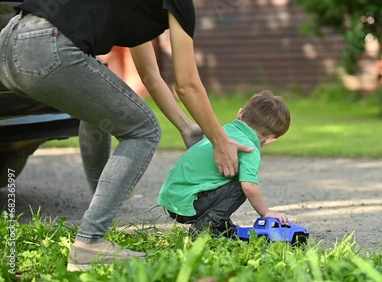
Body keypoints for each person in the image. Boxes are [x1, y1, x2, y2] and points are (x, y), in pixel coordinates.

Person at [0, 0, 252, 272]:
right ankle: (90, 241)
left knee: (98, 106)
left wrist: (187, 128)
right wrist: (220, 141)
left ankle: (100, 212)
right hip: (46, 45)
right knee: (144, 131)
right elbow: (188, 85)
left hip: (9, 40)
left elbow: (150, 76)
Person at [158, 90, 291, 237]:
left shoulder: (220, 133)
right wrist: (265, 212)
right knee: (240, 187)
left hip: (172, 199)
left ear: (240, 114)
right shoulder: (249, 148)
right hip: (187, 206)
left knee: (227, 180)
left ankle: (223, 228)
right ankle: (204, 228)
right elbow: (250, 187)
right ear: (271, 139)